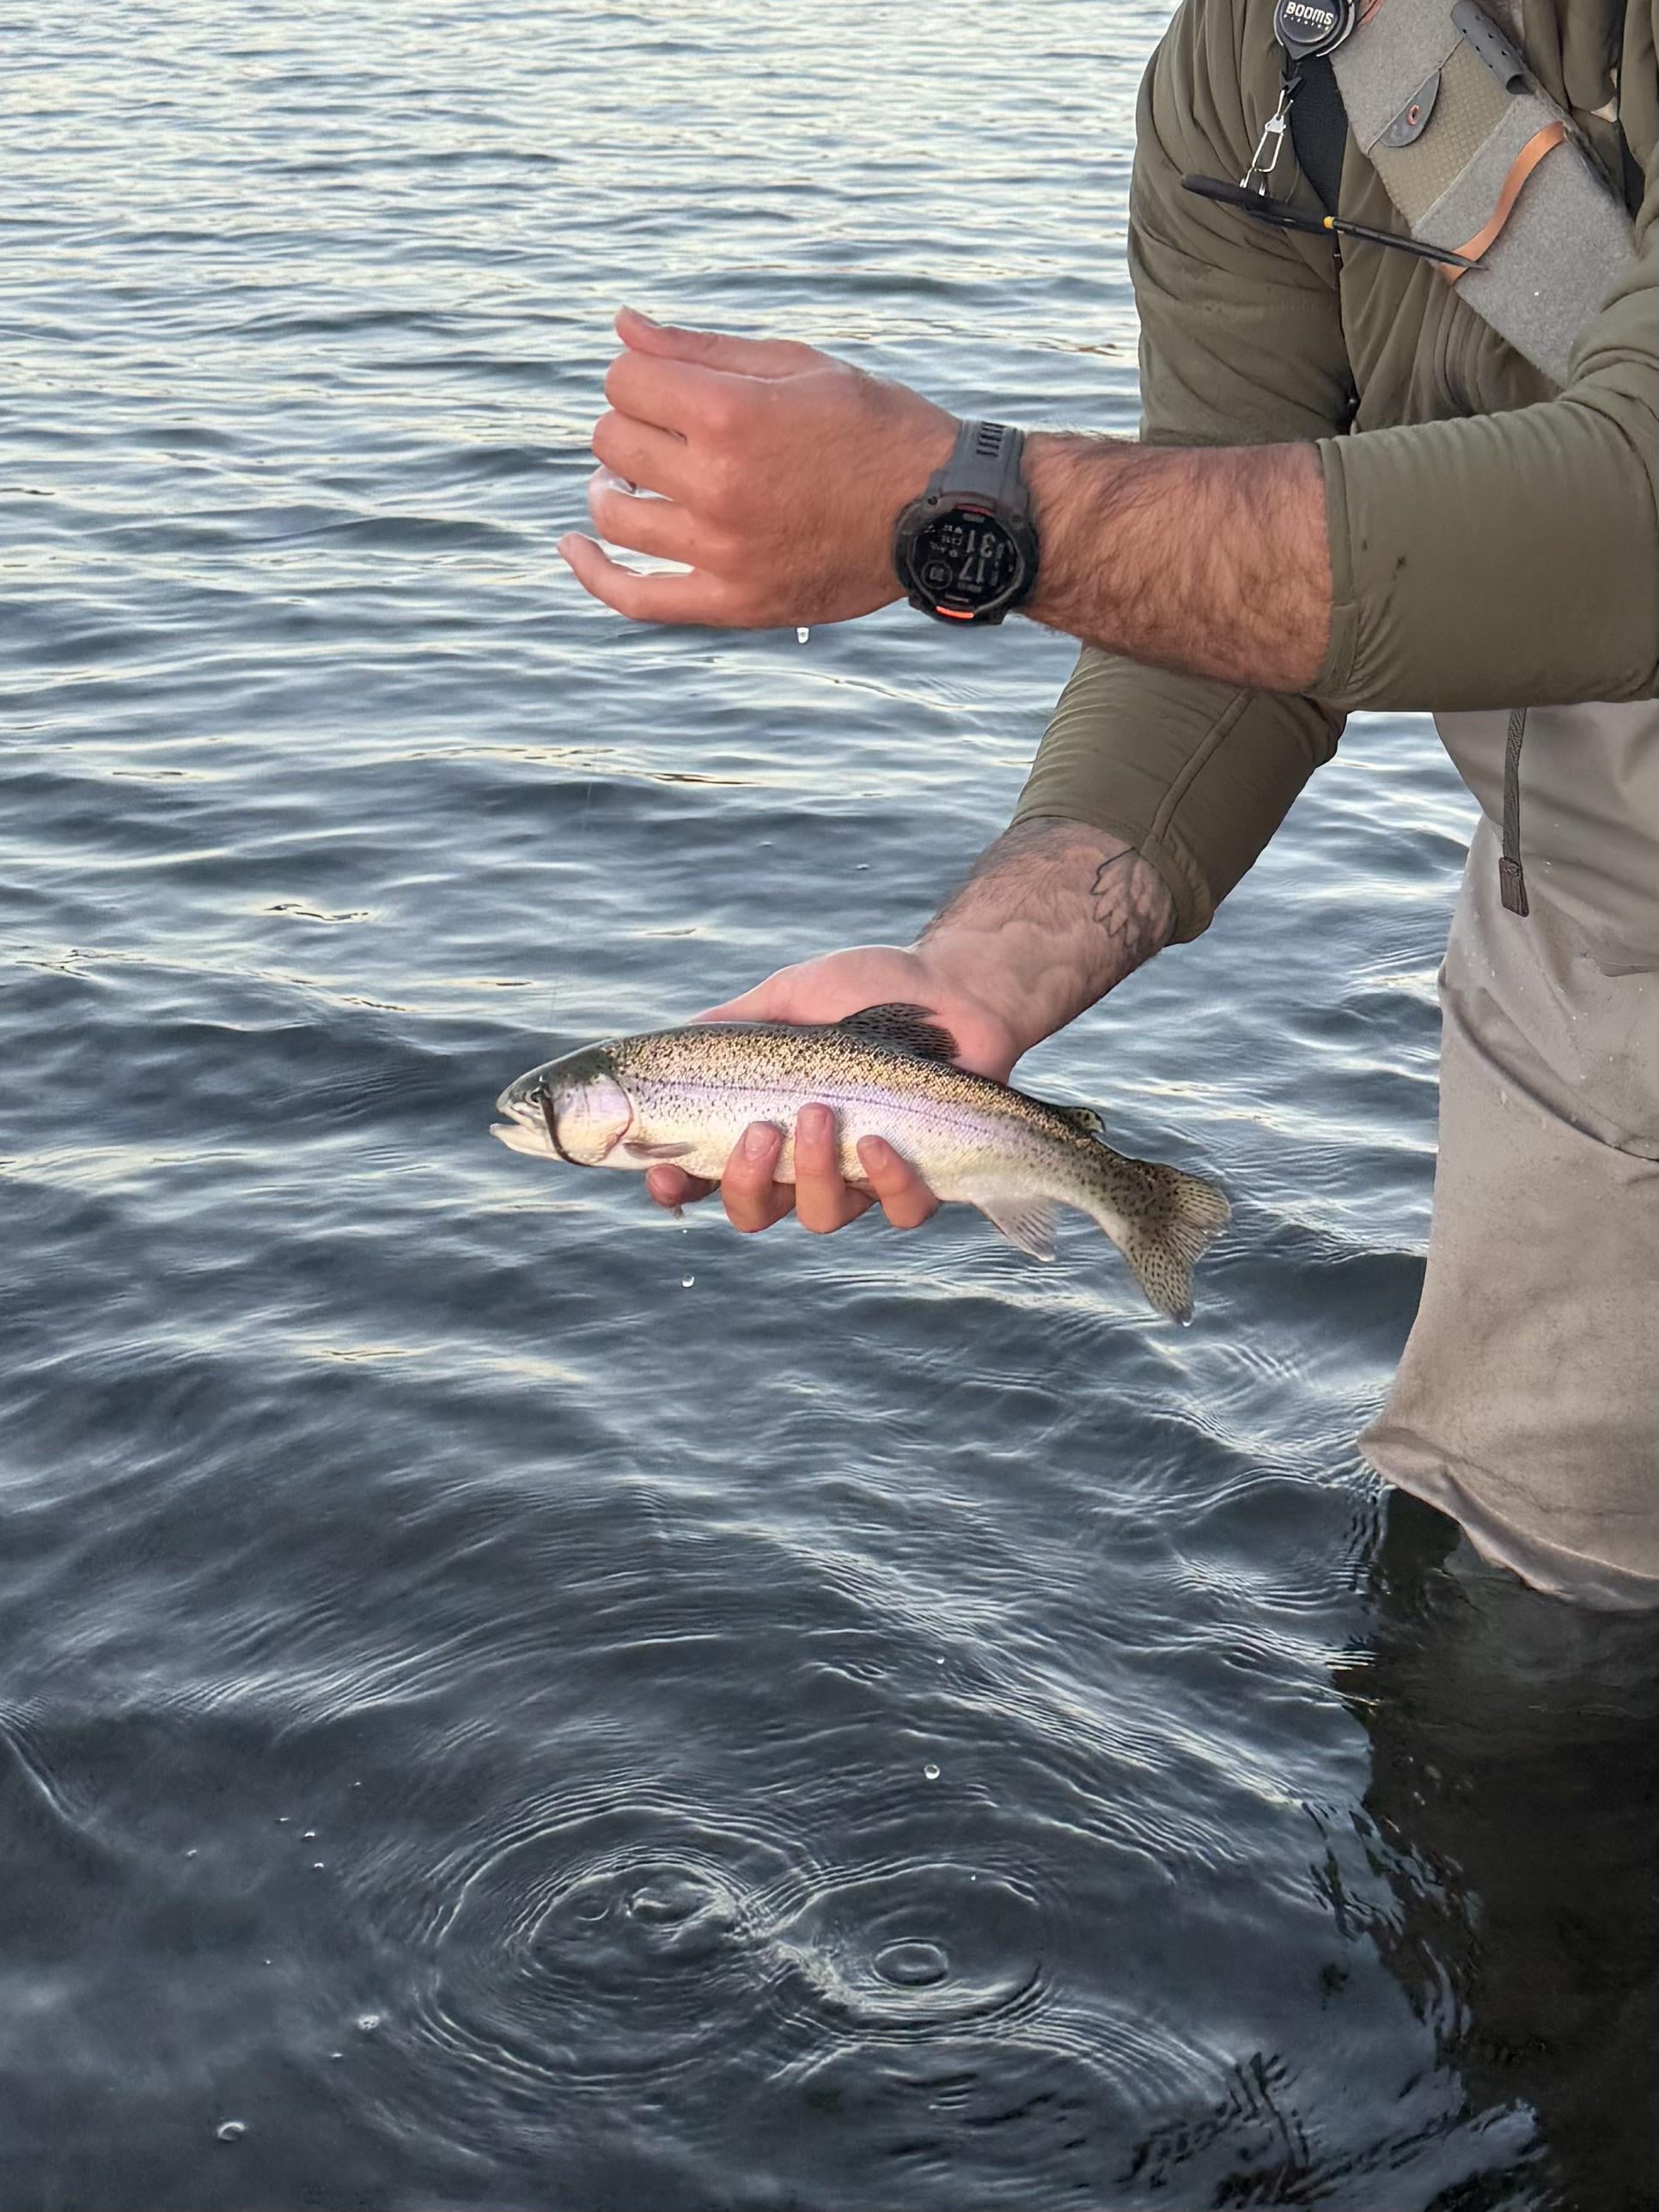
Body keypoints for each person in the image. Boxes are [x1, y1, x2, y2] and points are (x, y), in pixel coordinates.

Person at [562, 0, 1658, 1609]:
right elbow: (1229, 606)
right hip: (1596, 966)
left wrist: (969, 514)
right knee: (1522, 1642)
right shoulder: (1253, 64)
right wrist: (972, 976)